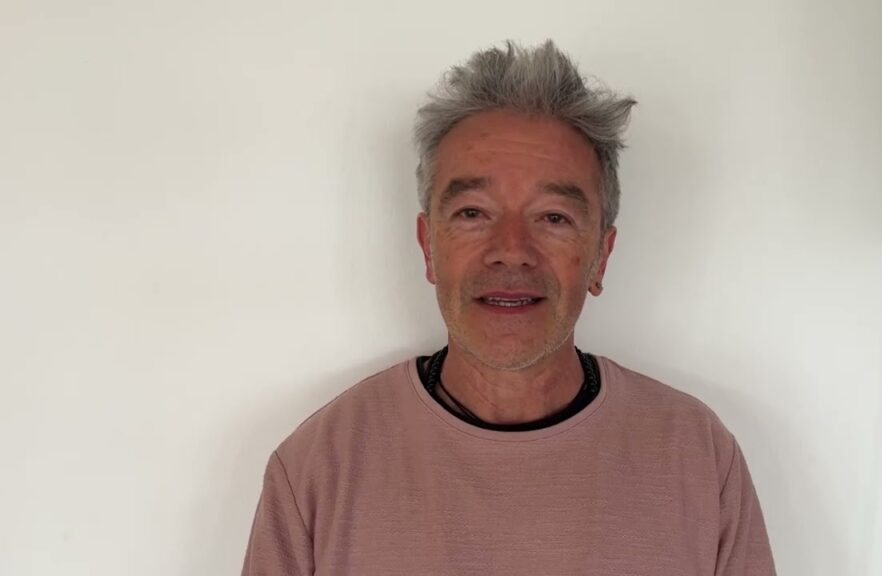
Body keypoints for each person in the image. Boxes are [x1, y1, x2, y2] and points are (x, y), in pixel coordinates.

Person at [241, 40, 776, 575]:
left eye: (554, 217)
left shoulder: (698, 459)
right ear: (429, 247)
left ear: (601, 256)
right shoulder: (319, 468)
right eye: (473, 213)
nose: (512, 250)